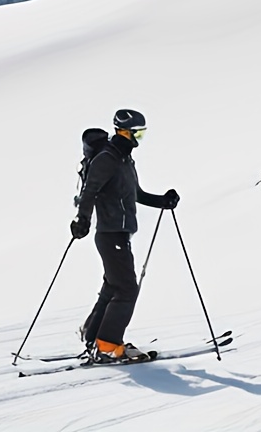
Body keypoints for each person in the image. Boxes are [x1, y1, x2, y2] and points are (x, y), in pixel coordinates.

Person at [71, 108, 179, 363]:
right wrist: (82, 219)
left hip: (119, 233)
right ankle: (108, 345)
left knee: (113, 285)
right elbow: (90, 191)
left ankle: (94, 336)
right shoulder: (107, 158)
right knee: (127, 288)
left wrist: (163, 201)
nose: (139, 140)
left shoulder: (124, 160)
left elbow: (136, 194)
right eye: (138, 134)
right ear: (124, 132)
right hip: (110, 234)